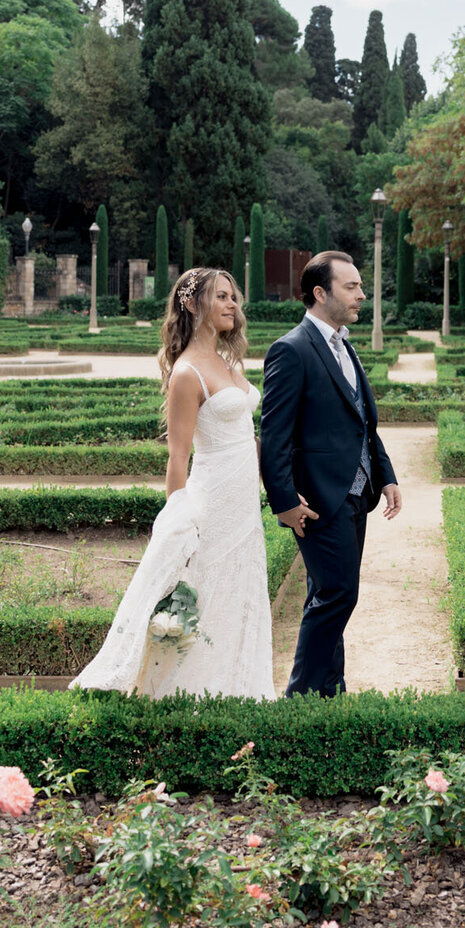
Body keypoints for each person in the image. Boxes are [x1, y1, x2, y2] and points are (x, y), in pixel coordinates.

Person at [69, 268, 273, 700]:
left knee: (240, 595)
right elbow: (178, 457)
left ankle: (240, 690)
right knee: (207, 596)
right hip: (211, 501)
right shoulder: (186, 374)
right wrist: (178, 521)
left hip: (243, 504)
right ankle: (187, 695)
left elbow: (248, 439)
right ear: (194, 305)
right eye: (222, 296)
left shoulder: (224, 360)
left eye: (233, 296)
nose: (233, 304)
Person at [260, 251, 401, 697]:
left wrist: (387, 474)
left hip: (358, 494)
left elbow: (362, 420)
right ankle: (299, 697)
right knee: (340, 593)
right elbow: (274, 435)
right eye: (352, 287)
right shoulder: (291, 349)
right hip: (318, 499)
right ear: (320, 293)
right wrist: (283, 502)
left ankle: (330, 693)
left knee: (325, 594)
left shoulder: (344, 343)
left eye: (360, 286)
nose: (362, 294)